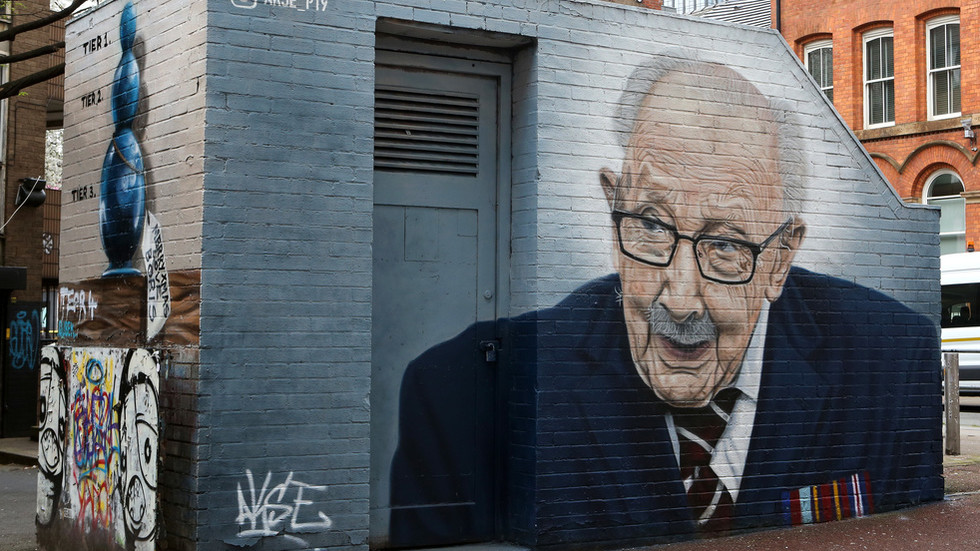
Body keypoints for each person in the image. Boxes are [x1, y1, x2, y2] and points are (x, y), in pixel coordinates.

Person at [389, 58, 941, 548]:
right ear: (614, 211)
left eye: (725, 245)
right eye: (651, 226)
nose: (679, 301)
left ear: (779, 259)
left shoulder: (895, 362)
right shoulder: (454, 392)